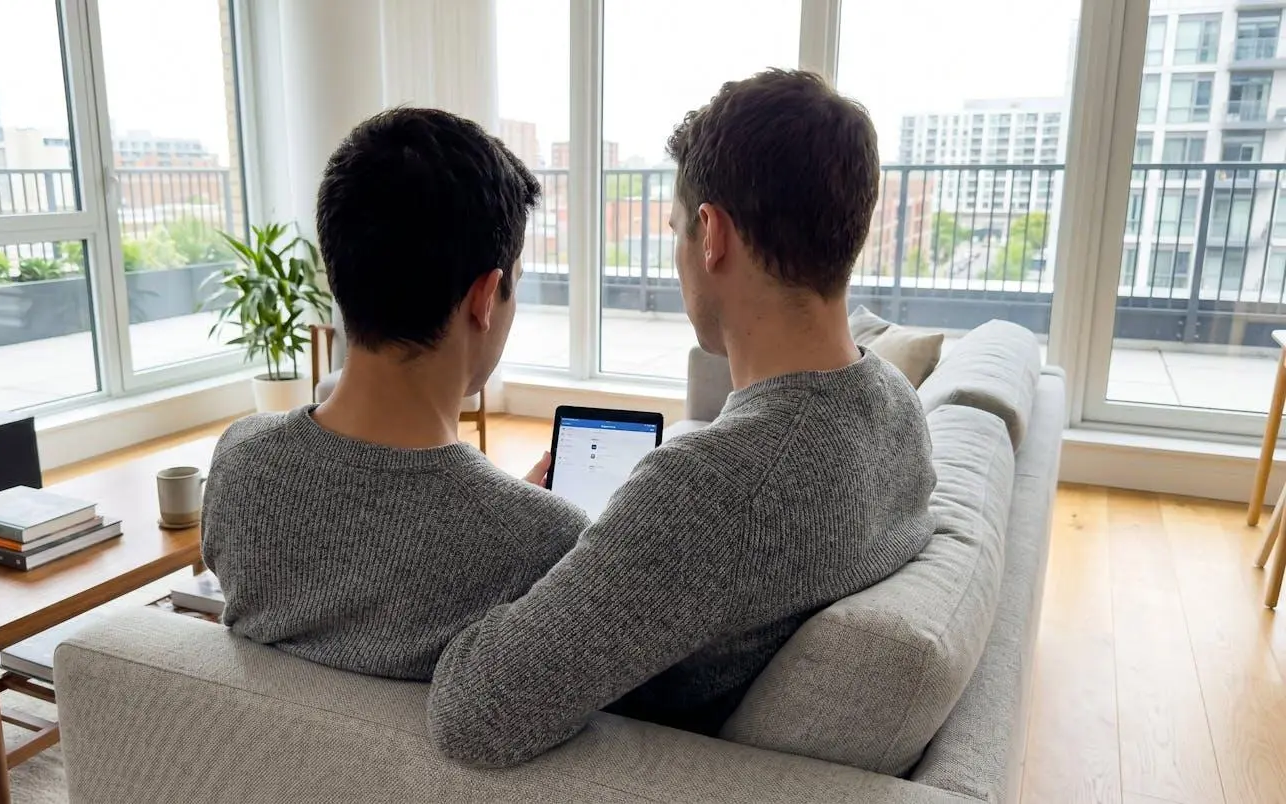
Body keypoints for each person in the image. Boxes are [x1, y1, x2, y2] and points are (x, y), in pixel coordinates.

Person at [427, 69, 936, 766]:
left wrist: (520, 542)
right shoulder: (894, 402)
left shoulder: (718, 487)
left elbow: (471, 713)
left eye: (675, 231)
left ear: (711, 234)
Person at [201, 108, 589, 681]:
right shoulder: (547, 542)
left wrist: (505, 508)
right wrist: (510, 514)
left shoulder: (240, 463)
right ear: (485, 298)